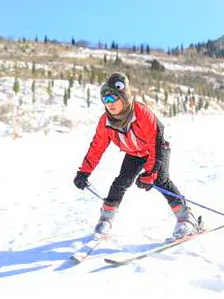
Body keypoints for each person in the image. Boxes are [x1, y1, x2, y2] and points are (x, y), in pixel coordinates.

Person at [73, 72, 202, 239]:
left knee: (160, 181)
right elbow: (97, 147)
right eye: (105, 100)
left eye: (112, 99)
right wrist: (84, 172)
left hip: (157, 149)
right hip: (134, 153)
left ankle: (186, 218)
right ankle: (106, 218)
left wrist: (150, 174)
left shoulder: (141, 114)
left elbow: (156, 144)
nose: (109, 104)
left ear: (124, 97)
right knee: (121, 182)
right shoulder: (105, 122)